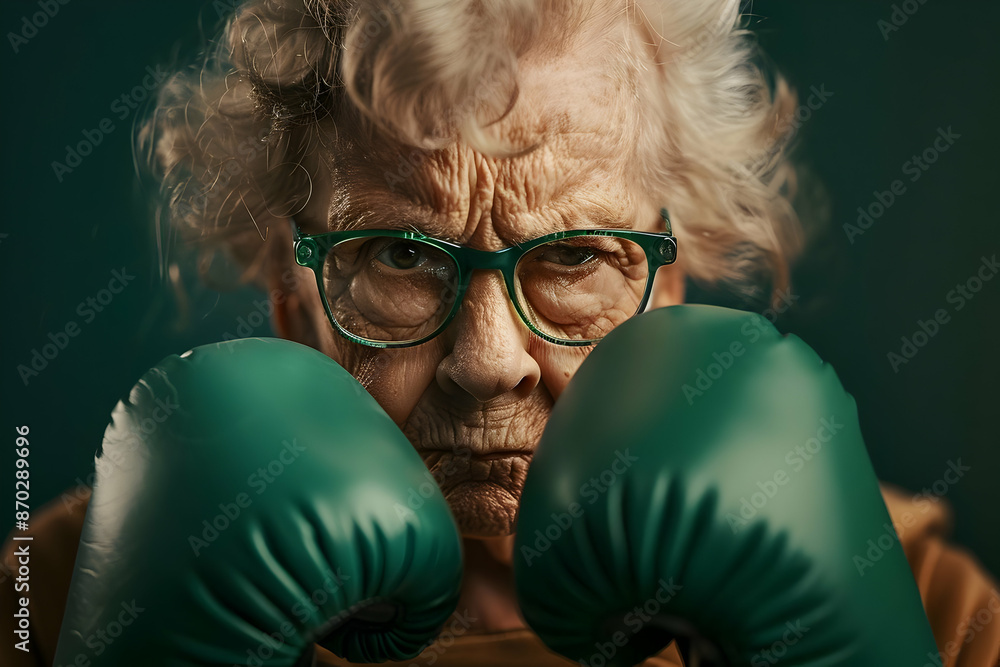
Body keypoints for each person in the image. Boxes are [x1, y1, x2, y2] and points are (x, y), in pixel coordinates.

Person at [2, 1, 998, 665]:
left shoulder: (920, 598)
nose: (487, 362)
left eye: (573, 258)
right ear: (283, 284)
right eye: (398, 256)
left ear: (677, 271)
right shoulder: (61, 592)